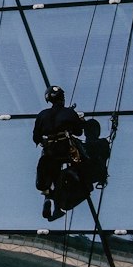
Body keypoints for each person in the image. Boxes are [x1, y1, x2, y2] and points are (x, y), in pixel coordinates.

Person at [33, 85, 86, 221]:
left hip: (50, 152)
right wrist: (78, 121)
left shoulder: (42, 115)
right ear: (62, 98)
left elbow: (36, 138)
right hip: (66, 151)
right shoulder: (69, 113)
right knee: (81, 164)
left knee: (50, 172)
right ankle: (58, 201)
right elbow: (79, 132)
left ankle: (48, 197)